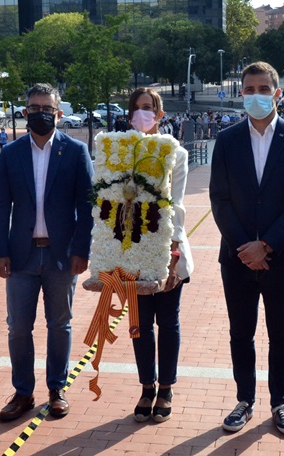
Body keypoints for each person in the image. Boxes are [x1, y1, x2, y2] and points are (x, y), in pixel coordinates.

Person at [209, 61, 284, 436]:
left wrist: (266, 245)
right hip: (235, 258)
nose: (256, 95)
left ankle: (279, 402)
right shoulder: (226, 140)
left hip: (283, 257)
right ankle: (244, 400)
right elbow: (219, 200)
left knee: (280, 334)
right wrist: (244, 246)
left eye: (263, 88)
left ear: (278, 93)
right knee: (241, 332)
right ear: (242, 94)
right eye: (249, 89)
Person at [0, 83, 94, 422]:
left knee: (59, 324)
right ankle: (22, 392)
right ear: (24, 113)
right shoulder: (11, 154)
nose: (40, 114)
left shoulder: (76, 152)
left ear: (58, 113)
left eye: (46, 108)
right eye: (33, 108)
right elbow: (0, 206)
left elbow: (87, 205)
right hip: (20, 256)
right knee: (18, 327)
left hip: (61, 256)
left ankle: (56, 390)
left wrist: (82, 249)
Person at [124, 88, 194, 423]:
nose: (143, 115)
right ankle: (146, 386)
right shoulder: (120, 152)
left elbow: (175, 205)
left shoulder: (175, 153)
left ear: (160, 114)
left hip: (166, 247)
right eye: (137, 109)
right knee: (139, 324)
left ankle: (166, 387)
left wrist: (174, 254)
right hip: (131, 251)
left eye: (149, 108)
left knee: (167, 321)